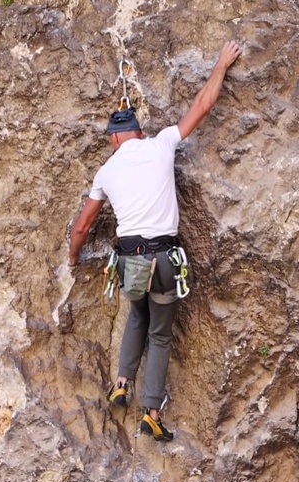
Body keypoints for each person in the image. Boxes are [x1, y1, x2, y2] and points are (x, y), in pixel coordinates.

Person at [67, 39, 242, 442]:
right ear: (139, 133)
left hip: (130, 262)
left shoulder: (106, 172)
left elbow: (82, 226)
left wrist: (74, 258)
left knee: (137, 316)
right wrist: (220, 65)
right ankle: (150, 413)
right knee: (159, 332)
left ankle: (121, 383)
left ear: (113, 139)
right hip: (165, 261)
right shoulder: (161, 143)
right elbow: (202, 106)